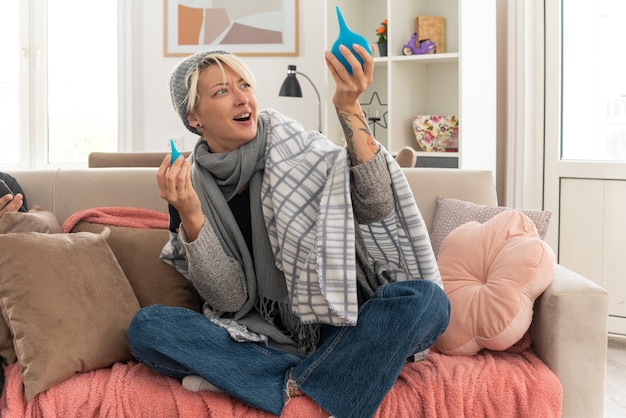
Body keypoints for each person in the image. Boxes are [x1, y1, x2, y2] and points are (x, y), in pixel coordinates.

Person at [127, 46, 450, 418]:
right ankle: (323, 383)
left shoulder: (296, 146)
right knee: (147, 328)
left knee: (427, 300)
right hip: (261, 334)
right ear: (194, 117)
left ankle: (273, 383)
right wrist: (190, 213)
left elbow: (376, 204)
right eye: (221, 91)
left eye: (244, 84)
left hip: (345, 321)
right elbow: (231, 300)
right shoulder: (188, 189)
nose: (242, 97)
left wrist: (348, 106)